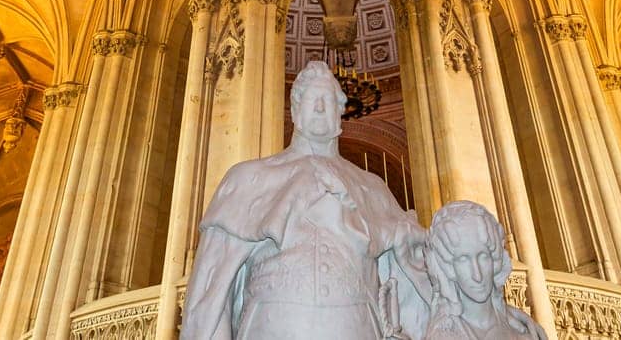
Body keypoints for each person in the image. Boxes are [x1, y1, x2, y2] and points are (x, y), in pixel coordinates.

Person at [181, 61, 431, 339]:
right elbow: (212, 288)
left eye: (328, 100)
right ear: (295, 110)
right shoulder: (249, 178)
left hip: (359, 324)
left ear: (341, 112)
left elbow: (411, 273)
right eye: (313, 99)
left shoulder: (371, 187)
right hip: (271, 324)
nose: (321, 108)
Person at [422, 201, 545, 340]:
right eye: (463, 259)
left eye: (483, 256)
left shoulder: (526, 334)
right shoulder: (443, 335)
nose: (477, 275)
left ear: (495, 260)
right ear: (448, 268)